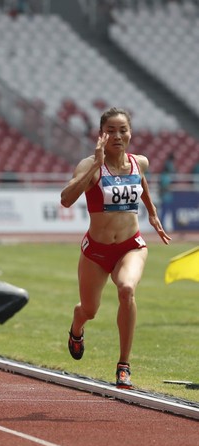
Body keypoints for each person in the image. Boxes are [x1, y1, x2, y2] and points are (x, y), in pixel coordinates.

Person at [60, 107, 171, 389]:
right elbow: (66, 199)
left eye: (123, 130)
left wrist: (153, 214)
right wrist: (97, 165)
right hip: (96, 251)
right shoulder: (89, 165)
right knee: (89, 309)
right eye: (111, 130)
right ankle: (77, 325)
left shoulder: (139, 162)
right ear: (101, 135)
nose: (117, 135)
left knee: (127, 289)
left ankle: (124, 365)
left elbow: (141, 184)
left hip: (130, 246)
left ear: (130, 133)